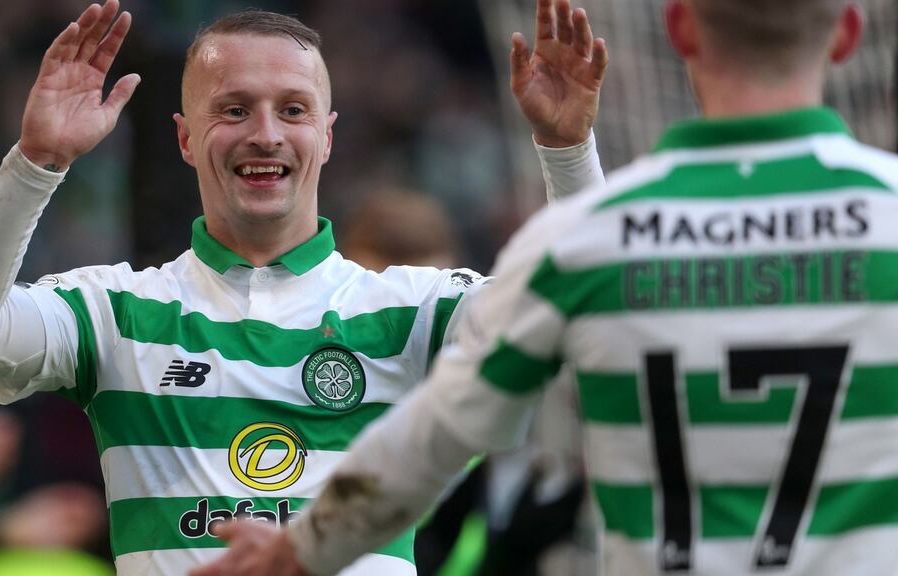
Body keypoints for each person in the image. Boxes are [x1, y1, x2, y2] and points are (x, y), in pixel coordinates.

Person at [190, 1, 898, 575]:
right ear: (848, 34)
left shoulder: (590, 241)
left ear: (679, 28)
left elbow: (431, 440)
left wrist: (296, 553)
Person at [0, 0, 608, 573]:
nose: (266, 134)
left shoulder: (414, 309)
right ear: (186, 139)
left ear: (327, 137)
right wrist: (36, 161)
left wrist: (567, 152)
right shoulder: (115, 312)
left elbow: (585, 317)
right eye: (235, 109)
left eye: (294, 110)